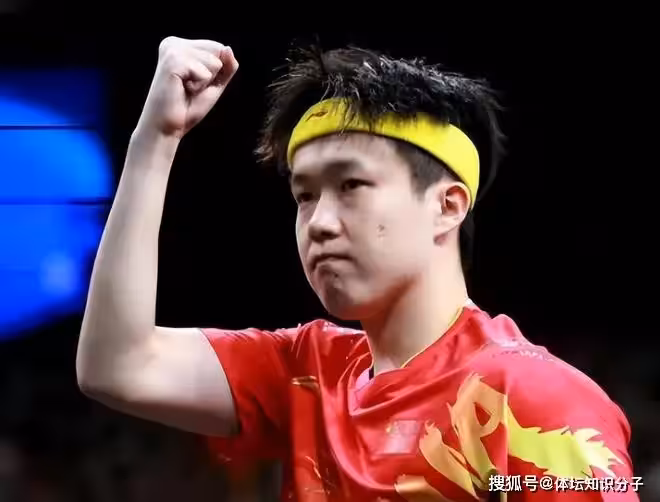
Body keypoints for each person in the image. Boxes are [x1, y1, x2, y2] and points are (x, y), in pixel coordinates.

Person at [76, 36, 639, 501]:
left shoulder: (536, 400)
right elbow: (117, 365)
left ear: (447, 206)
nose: (319, 223)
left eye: (351, 185)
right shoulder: (306, 375)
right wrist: (156, 139)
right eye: (304, 196)